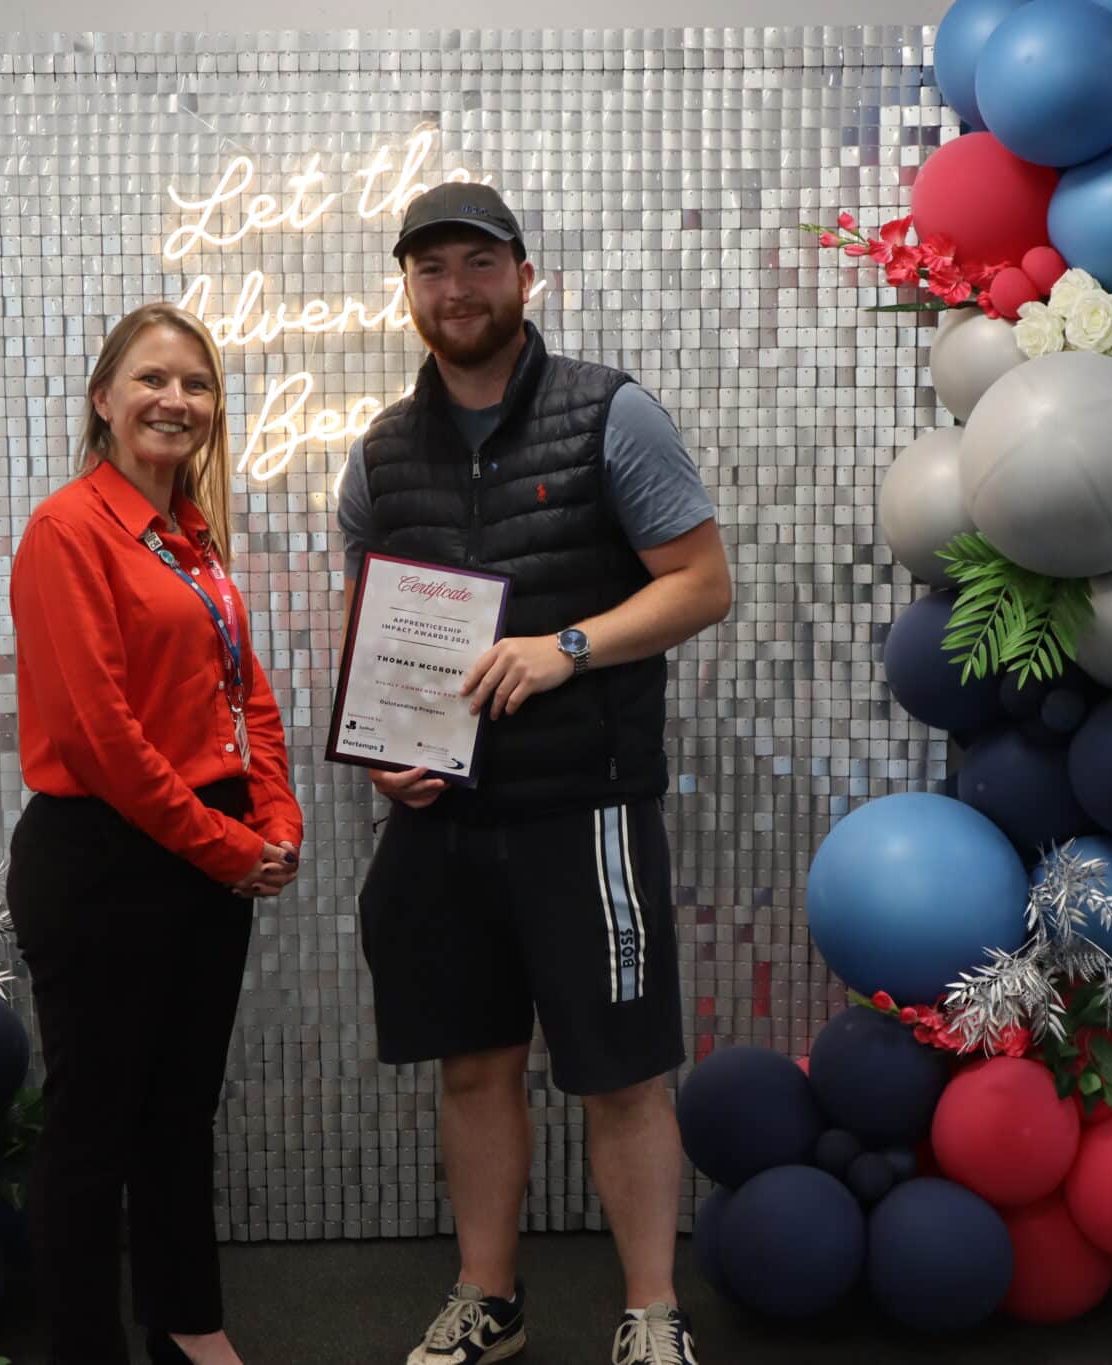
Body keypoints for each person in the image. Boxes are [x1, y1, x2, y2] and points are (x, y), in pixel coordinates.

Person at [338, 183, 732, 1365]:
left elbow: (700, 584)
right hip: (446, 822)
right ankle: (487, 1300)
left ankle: (651, 1313)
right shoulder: (378, 454)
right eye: (430, 271)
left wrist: (564, 650)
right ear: (407, 291)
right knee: (473, 1063)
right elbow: (364, 626)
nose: (454, 291)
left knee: (621, 1074)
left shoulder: (609, 414)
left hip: (588, 808)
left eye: (475, 265)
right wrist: (381, 753)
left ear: (522, 275)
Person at [7, 302, 304, 1365]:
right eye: (150, 379)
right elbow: (100, 738)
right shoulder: (67, 530)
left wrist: (274, 814)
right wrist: (228, 848)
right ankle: (87, 1348)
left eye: (196, 383)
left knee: (178, 1111)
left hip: (200, 850)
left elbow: (244, 690)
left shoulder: (190, 538)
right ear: (102, 400)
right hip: (101, 860)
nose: (174, 400)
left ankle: (188, 1324)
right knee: (93, 1131)